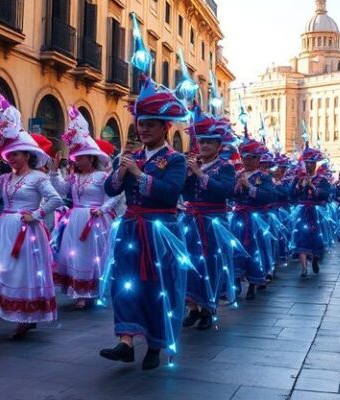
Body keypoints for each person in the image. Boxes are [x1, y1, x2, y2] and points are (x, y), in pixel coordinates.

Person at [99, 78, 189, 370]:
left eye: (151, 124)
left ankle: (155, 343)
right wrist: (120, 172)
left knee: (156, 287)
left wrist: (138, 175)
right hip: (130, 228)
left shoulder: (176, 160)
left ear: (166, 128)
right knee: (124, 284)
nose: (144, 129)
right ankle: (125, 341)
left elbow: (170, 193)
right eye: (141, 123)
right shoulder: (132, 156)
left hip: (160, 232)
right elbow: (110, 190)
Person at [0, 96, 64, 339]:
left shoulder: (38, 178)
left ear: (28, 156)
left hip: (27, 231)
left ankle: (26, 317)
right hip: (4, 229)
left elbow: (56, 200)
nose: (10, 158)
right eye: (8, 155)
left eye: (16, 155)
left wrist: (36, 215)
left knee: (21, 272)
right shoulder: (4, 178)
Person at [51, 108, 116, 309]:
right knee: (75, 254)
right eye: (75, 158)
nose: (76, 161)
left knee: (92, 255)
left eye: (80, 158)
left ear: (91, 158)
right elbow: (62, 189)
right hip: (75, 220)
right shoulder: (74, 177)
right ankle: (78, 291)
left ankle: (90, 291)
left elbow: (113, 197)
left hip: (95, 221)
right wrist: (54, 171)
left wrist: (102, 210)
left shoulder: (102, 177)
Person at [181, 115, 236, 330]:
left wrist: (198, 174)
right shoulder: (193, 164)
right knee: (189, 263)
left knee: (210, 263)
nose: (203, 145)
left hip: (213, 222)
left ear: (218, 146)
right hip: (191, 220)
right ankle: (192, 307)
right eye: (201, 141)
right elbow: (183, 192)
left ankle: (208, 308)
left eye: (208, 142)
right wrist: (187, 175)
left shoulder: (225, 167)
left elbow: (224, 191)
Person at [231, 138, 275, 300]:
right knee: (236, 248)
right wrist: (236, 188)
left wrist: (249, 187)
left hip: (256, 219)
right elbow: (230, 194)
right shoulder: (238, 175)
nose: (247, 161)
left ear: (258, 159)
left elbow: (268, 197)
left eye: (251, 157)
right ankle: (235, 280)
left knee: (255, 250)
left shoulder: (264, 177)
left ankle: (253, 283)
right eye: (245, 157)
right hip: (239, 217)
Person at [291, 147, 331, 277]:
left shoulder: (322, 179)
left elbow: (326, 194)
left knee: (316, 238)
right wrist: (300, 186)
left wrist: (313, 188)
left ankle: (315, 259)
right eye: (307, 163)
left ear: (315, 165)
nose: (309, 165)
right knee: (301, 237)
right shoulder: (298, 179)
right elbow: (291, 194)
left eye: (311, 163)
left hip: (316, 212)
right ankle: (303, 267)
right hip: (302, 211)